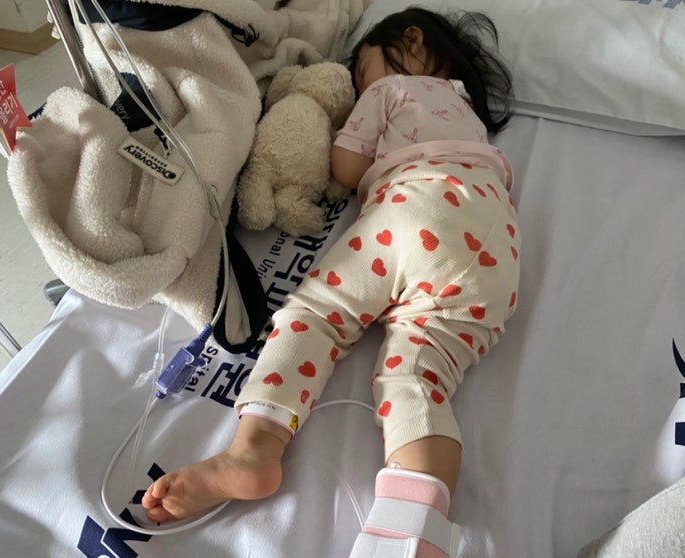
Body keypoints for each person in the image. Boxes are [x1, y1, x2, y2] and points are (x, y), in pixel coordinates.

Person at [142, 7, 519, 557]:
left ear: (411, 40)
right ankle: (412, 530)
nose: (360, 83)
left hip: (418, 210)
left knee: (315, 315)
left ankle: (255, 448)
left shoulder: (391, 90)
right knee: (418, 378)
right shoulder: (467, 113)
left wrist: (345, 129)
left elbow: (345, 168)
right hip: (496, 252)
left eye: (361, 70)